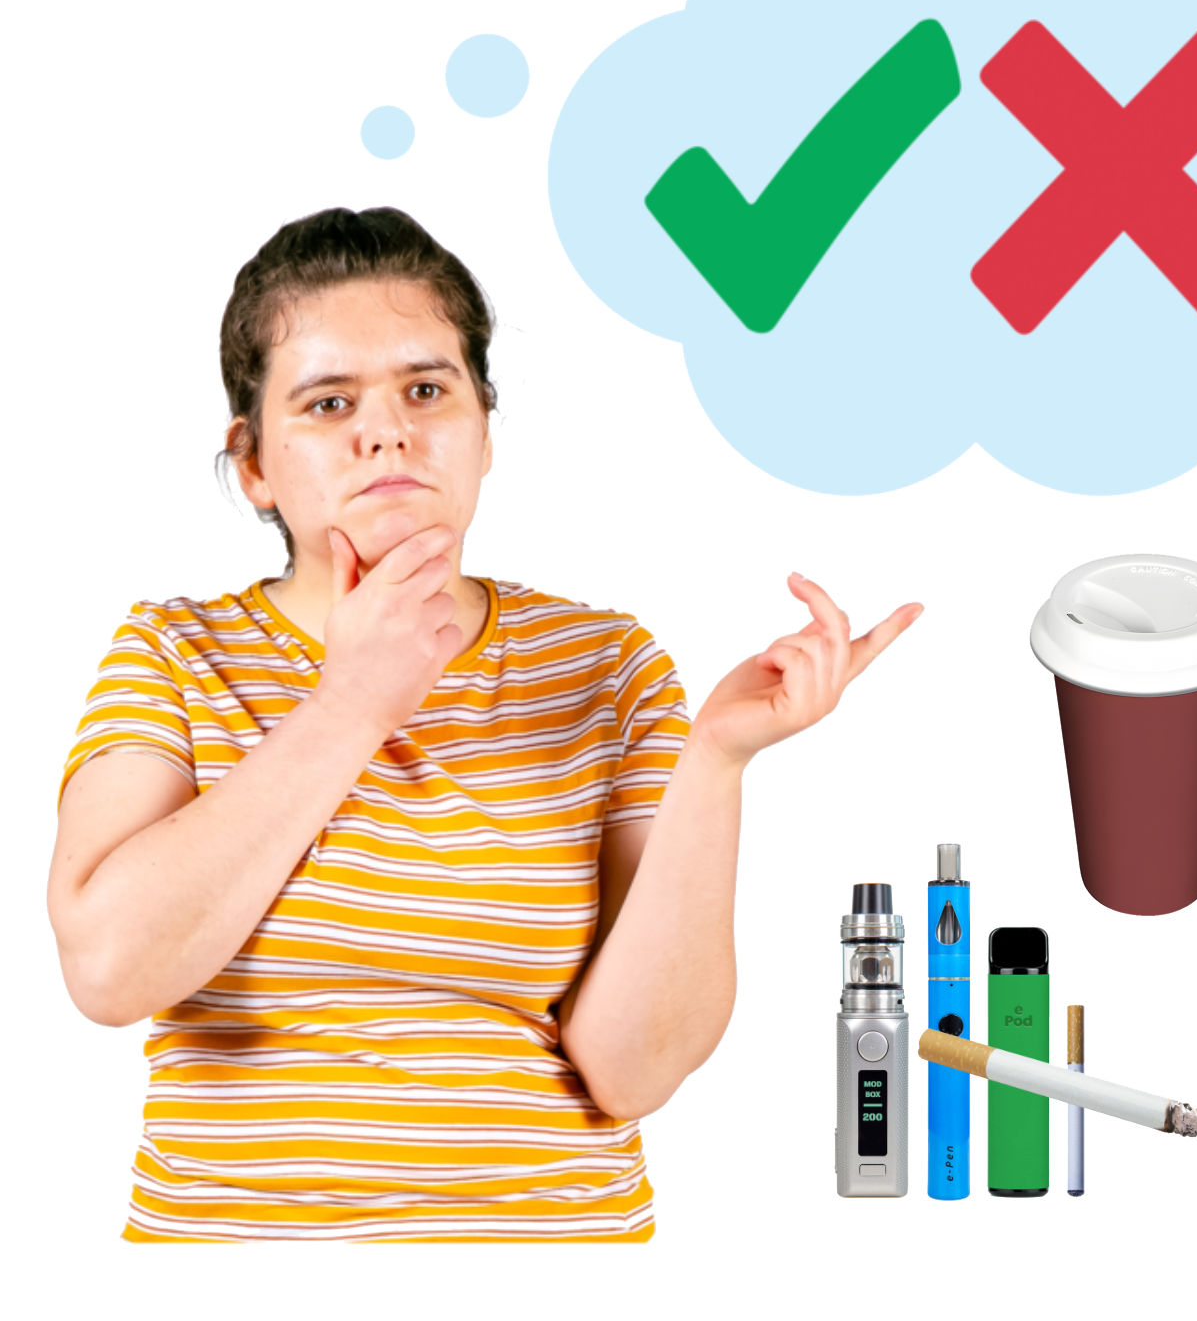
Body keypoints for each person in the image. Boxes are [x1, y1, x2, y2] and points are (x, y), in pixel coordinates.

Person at [47, 206, 923, 1244]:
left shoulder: (606, 664)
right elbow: (106, 974)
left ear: (484, 426)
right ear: (253, 462)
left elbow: (634, 1068)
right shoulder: (174, 651)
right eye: (328, 403)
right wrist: (352, 703)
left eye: (427, 388)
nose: (389, 431)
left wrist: (717, 760)